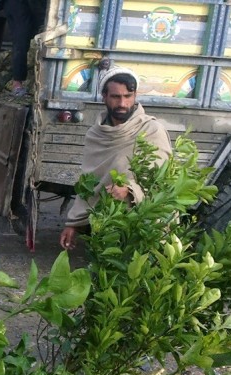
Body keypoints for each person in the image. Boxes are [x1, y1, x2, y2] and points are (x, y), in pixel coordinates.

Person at [59, 67, 172, 250]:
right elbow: (89, 183)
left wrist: (129, 190)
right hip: (105, 225)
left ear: (135, 96)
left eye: (128, 96)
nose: (122, 103)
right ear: (104, 96)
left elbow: (161, 178)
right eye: (116, 97)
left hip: (143, 224)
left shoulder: (151, 130)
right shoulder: (95, 135)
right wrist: (73, 224)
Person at [4, 0, 43, 96]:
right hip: (19, 5)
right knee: (20, 41)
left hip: (40, 5)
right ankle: (17, 83)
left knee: (44, 40)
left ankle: (42, 84)